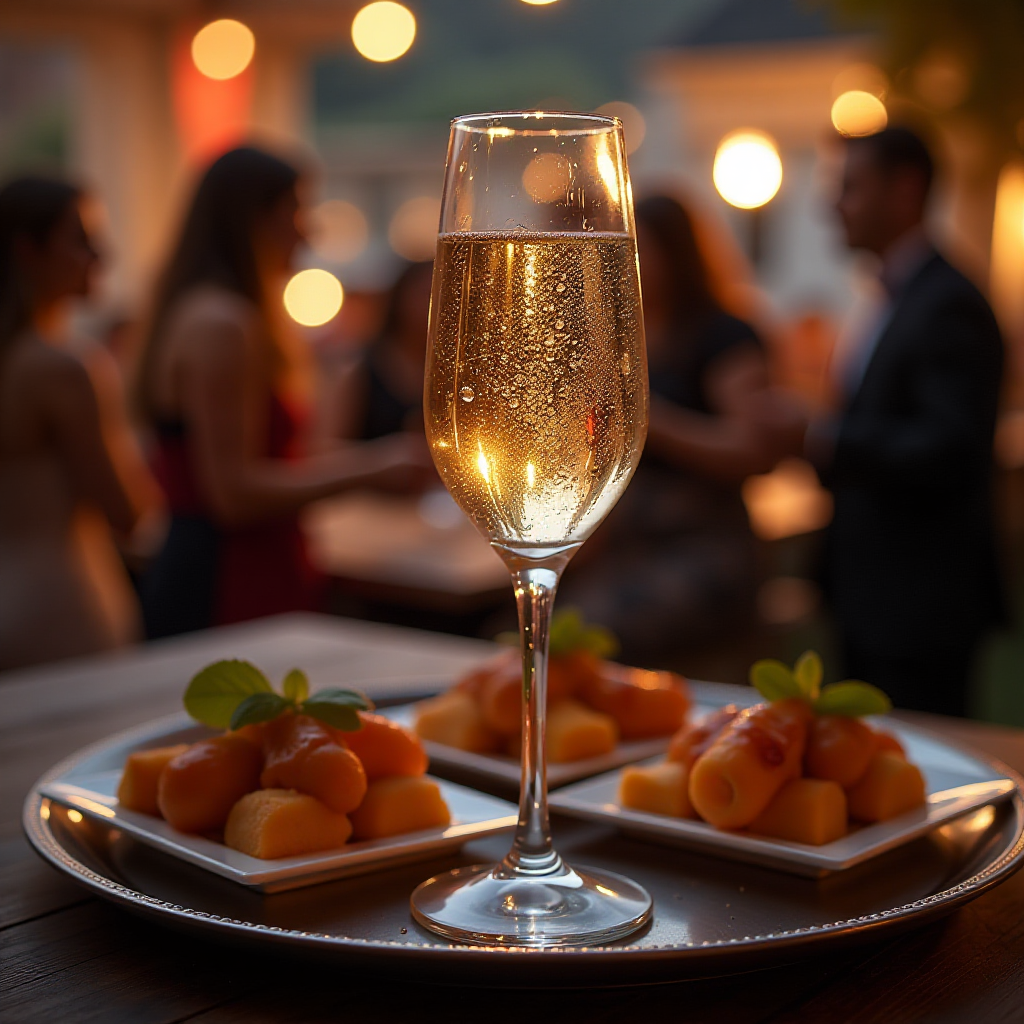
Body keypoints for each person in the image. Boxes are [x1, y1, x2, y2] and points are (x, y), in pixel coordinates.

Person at [137, 147, 428, 637]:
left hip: (239, 567)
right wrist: (373, 466)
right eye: (296, 210)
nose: (307, 229)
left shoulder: (206, 312)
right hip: (228, 578)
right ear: (252, 217)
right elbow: (232, 494)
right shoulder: (222, 324)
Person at [559, 195, 804, 666]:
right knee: (528, 623)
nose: (624, 263)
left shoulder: (724, 337)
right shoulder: (620, 336)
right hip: (626, 546)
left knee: (589, 633)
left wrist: (651, 422)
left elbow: (752, 450)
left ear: (677, 254)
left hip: (705, 547)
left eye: (641, 249)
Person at [813, 126, 1004, 716]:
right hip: (875, 596)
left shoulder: (947, 302)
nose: (834, 204)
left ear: (906, 190)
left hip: (921, 603)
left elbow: (950, 447)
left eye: (852, 186)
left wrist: (817, 437)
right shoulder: (896, 298)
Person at [0, 177, 158, 669]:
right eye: (83, 241)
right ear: (28, 249)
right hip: (60, 603)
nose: (102, 256)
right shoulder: (63, 367)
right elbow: (126, 511)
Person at [332, 260, 434, 441]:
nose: (435, 308)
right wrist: (385, 459)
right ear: (401, 299)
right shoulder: (363, 369)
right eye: (428, 296)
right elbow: (327, 448)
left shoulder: (457, 370)